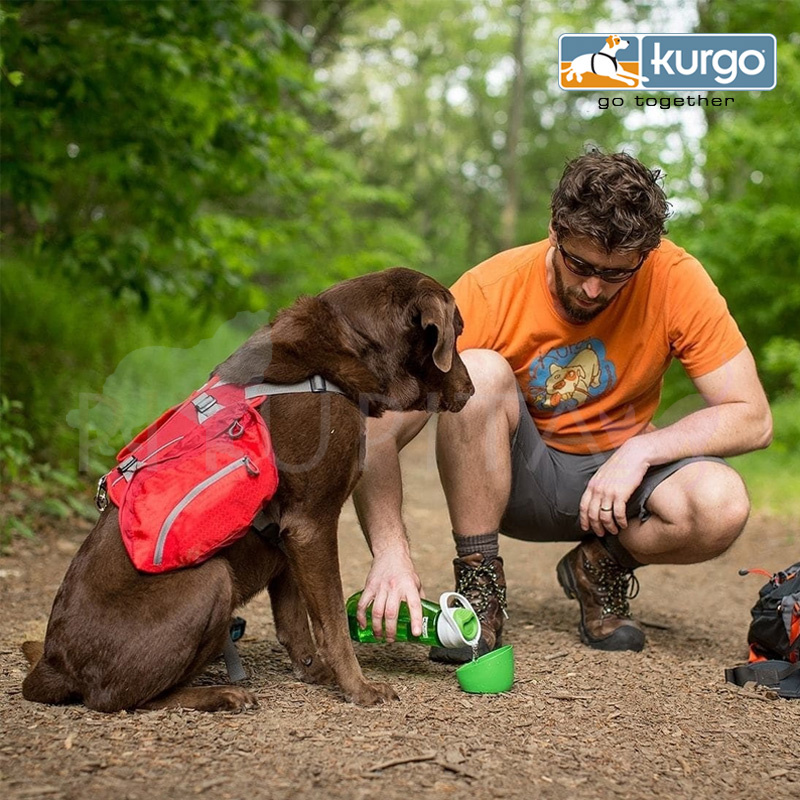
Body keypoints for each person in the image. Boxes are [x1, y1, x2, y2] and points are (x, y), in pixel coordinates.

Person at [352, 151, 773, 661]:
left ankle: (598, 566)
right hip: (520, 480)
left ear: (647, 253)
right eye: (580, 265)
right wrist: (390, 552)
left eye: (617, 273)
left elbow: (751, 415)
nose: (594, 288)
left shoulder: (675, 278)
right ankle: (481, 590)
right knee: (479, 371)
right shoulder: (489, 291)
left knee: (721, 503)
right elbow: (377, 427)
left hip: (621, 483)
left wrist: (641, 452)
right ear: (555, 229)